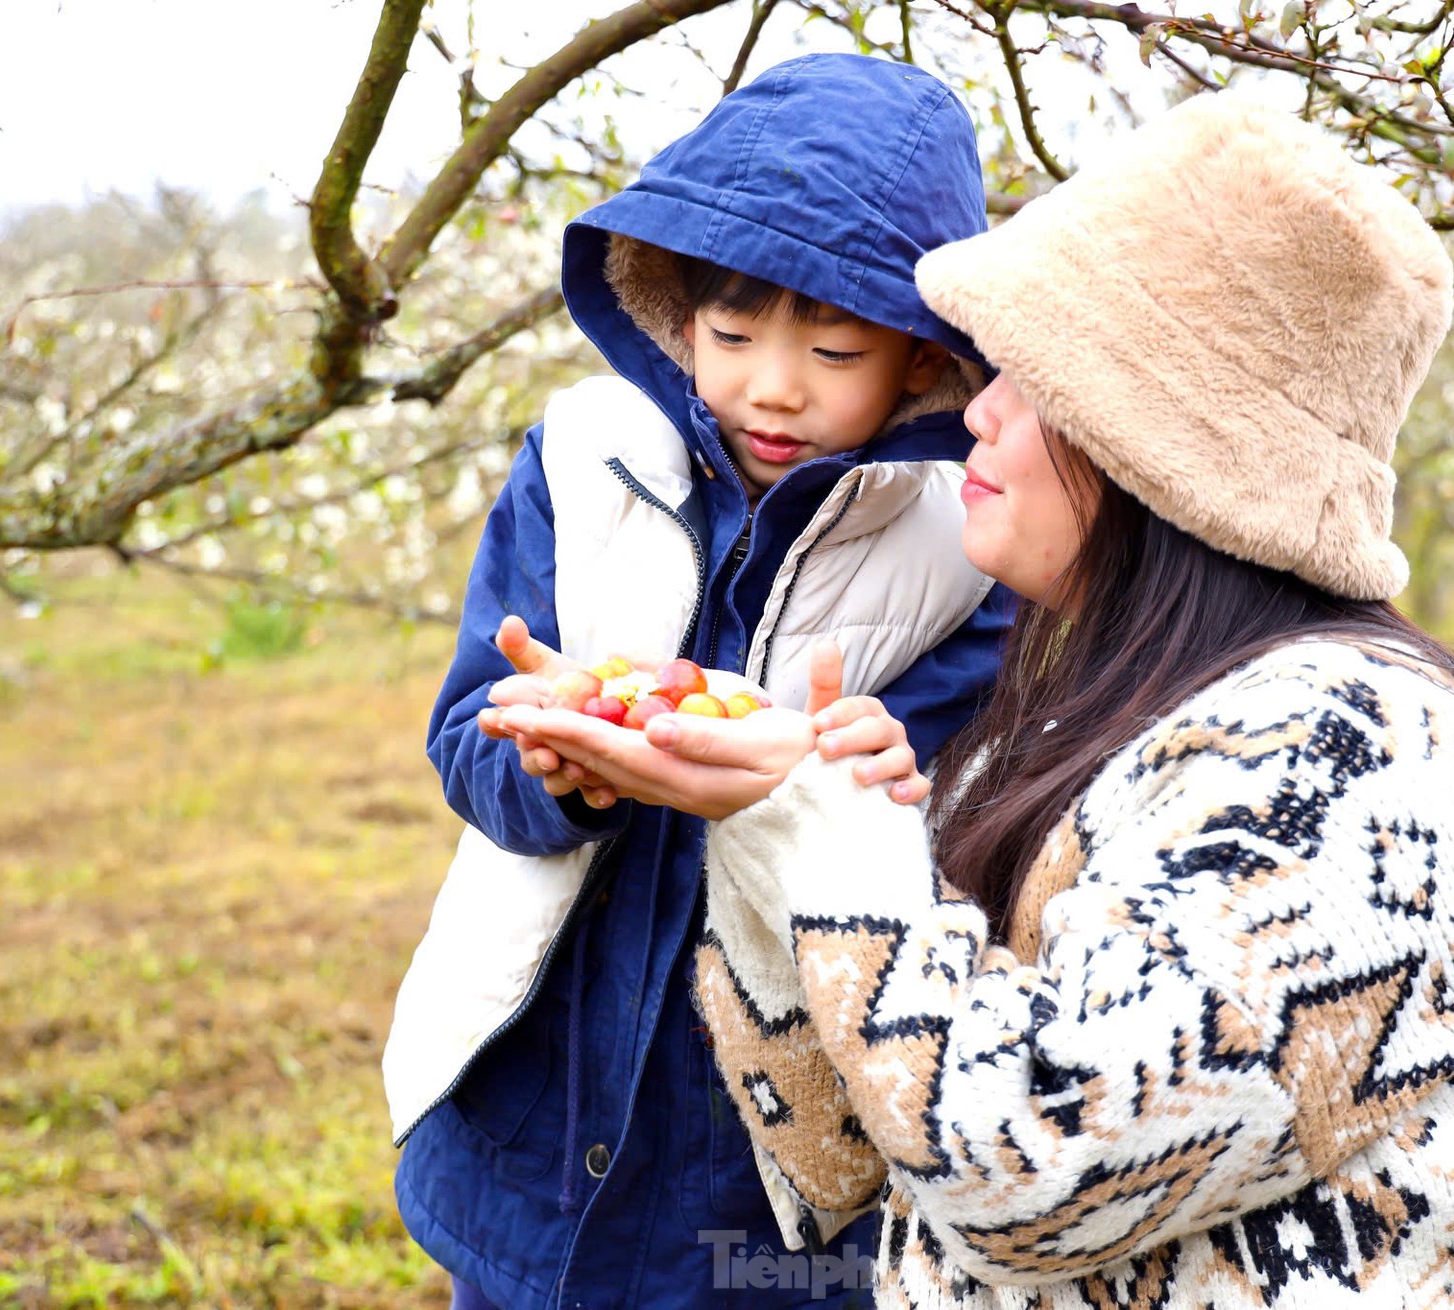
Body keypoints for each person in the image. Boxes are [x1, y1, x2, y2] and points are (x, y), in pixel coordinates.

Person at [496, 94, 1454, 1308]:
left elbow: (1031, 1175)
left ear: (1159, 441)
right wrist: (773, 811)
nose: (974, 408)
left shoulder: (1348, 755)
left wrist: (828, 838)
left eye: (1028, 375)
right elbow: (835, 1154)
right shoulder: (1077, 723)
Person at [383, 54, 1013, 1309]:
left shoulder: (966, 533)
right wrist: (548, 761)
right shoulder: (582, 459)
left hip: (771, 1124)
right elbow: (466, 736)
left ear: (922, 360)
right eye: (730, 334)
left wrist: (876, 774)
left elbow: (972, 812)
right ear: (676, 315)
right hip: (541, 1083)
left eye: (834, 348)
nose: (771, 385)